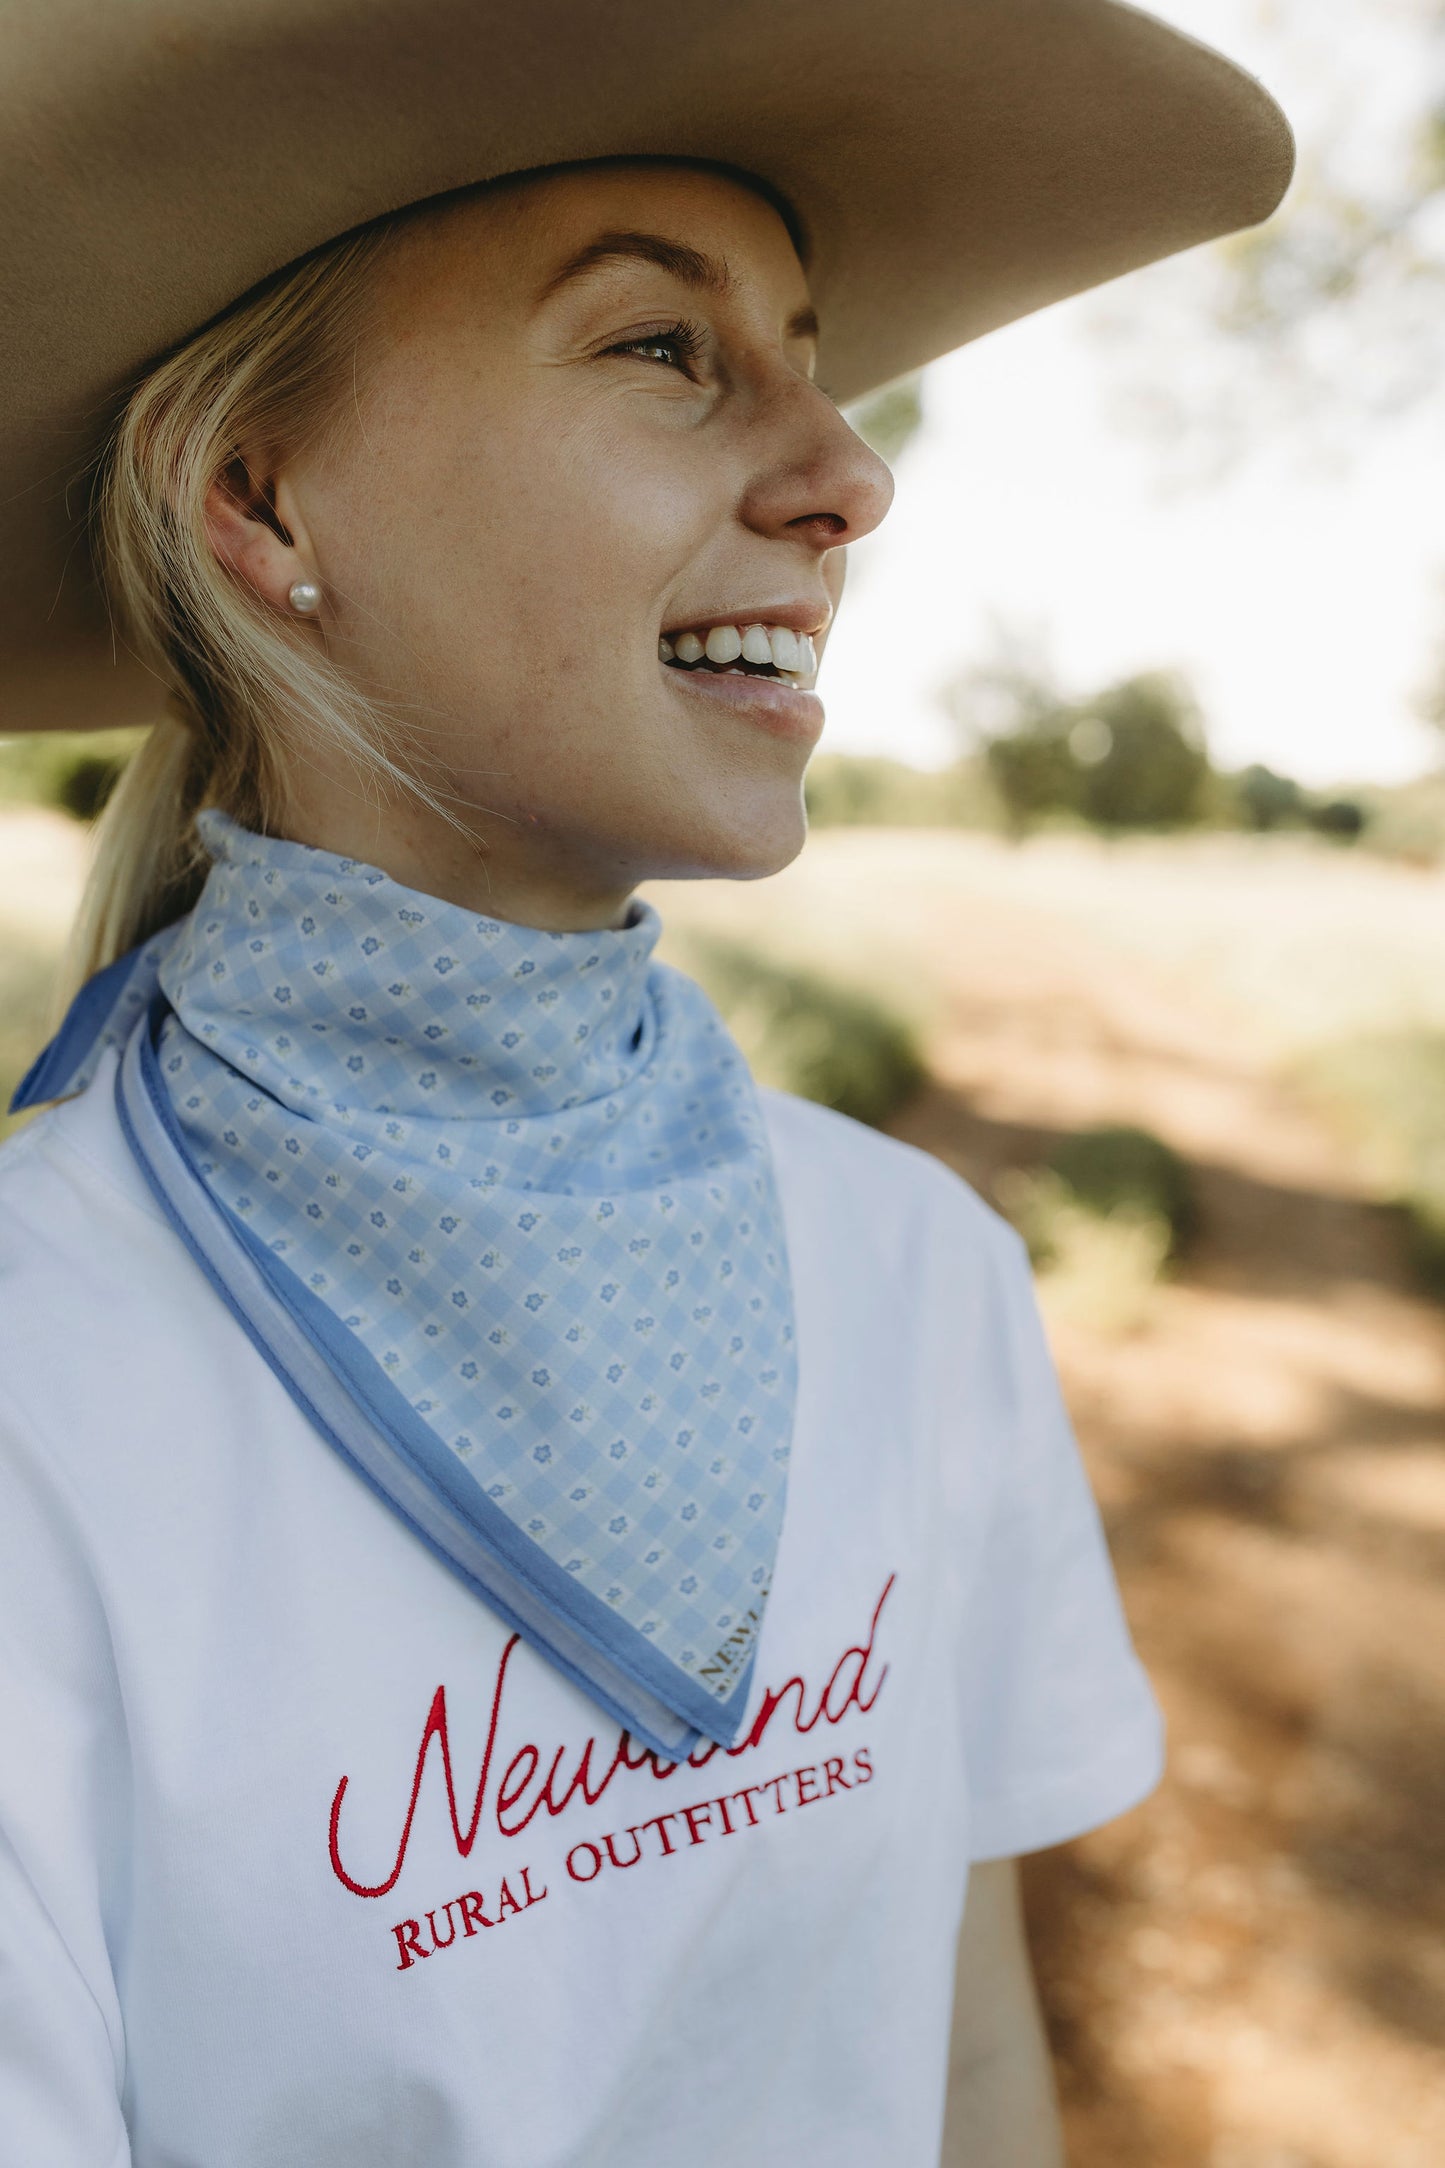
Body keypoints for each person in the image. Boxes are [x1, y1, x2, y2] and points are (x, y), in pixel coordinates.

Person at [0, 5, 1292, 2163]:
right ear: (260, 497)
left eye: (811, 351)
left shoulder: (916, 1271)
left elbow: (963, 2064)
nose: (852, 474)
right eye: (664, 352)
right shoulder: (39, 1390)